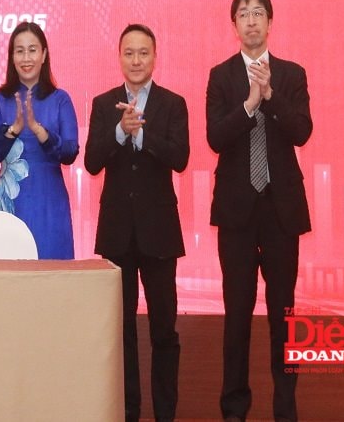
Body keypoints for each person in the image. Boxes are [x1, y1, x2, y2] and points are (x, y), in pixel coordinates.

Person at [207, 0, 312, 422]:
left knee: (283, 313)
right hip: (236, 213)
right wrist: (249, 104)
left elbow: (302, 131)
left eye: (258, 13)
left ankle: (285, 408)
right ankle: (234, 408)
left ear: (270, 22)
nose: (251, 21)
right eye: (243, 14)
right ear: (234, 25)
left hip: (280, 211)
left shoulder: (291, 74)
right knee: (236, 314)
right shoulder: (221, 76)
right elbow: (216, 137)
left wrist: (269, 97)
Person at [84, 23, 189, 422]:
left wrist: (142, 136)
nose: (136, 60)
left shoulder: (172, 103)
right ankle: (128, 411)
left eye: (143, 52)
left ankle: (165, 413)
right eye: (129, 53)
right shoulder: (103, 103)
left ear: (155, 57)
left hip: (159, 232)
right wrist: (118, 131)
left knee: (164, 330)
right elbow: (92, 161)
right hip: (117, 233)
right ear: (119, 57)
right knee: (122, 330)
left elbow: (180, 157)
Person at [0, 21, 78, 259]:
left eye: (32, 50)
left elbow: (70, 152)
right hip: (11, 201)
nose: (26, 58)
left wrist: (39, 130)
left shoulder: (60, 99)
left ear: (44, 55)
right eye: (19, 51)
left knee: (51, 269)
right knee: (8, 270)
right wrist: (13, 130)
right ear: (12, 57)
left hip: (50, 201)